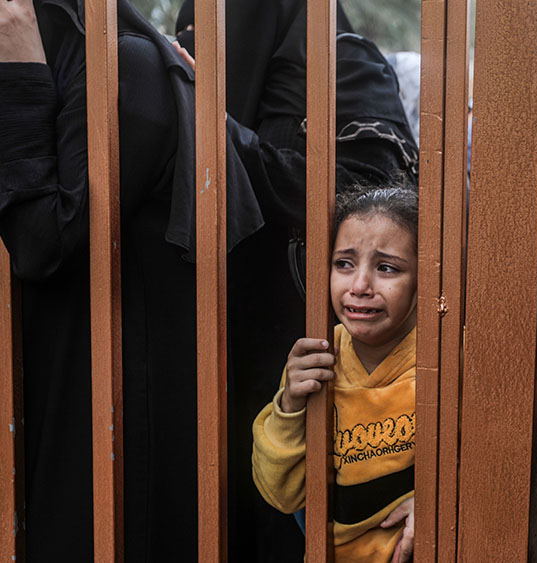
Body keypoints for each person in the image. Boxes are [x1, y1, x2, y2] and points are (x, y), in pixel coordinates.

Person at [0, 0, 262, 560]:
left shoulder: (126, 68)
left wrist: (20, 69)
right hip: (59, 382)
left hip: (116, 407)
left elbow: (41, 241)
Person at [172, 3, 418, 559]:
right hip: (221, 351)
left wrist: (217, 129)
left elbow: (373, 204)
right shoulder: (190, 78)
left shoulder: (343, 65)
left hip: (325, 350)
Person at [252, 184, 418, 563]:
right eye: (344, 264)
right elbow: (282, 496)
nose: (359, 286)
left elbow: (535, 452)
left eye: (387, 268)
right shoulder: (316, 361)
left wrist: (442, 501)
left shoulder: (455, 356)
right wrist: (290, 406)